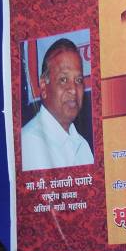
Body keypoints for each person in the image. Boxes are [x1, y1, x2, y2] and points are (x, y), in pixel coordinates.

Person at [20, 38, 95, 171]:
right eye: (63, 79)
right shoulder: (28, 143)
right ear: (44, 87)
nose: (73, 89)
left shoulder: (83, 146)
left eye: (78, 80)